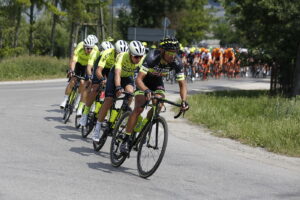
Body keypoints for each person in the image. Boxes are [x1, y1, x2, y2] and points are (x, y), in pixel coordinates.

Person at [120, 37, 189, 154]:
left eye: (174, 53)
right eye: (169, 53)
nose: (172, 56)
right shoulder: (152, 57)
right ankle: (126, 139)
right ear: (162, 51)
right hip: (144, 82)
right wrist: (146, 91)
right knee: (139, 107)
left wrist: (183, 101)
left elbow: (182, 85)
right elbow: (138, 80)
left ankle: (145, 127)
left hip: (157, 82)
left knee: (159, 105)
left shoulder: (177, 62)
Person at [91, 41, 146, 142]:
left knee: (130, 93)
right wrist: (118, 87)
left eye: (140, 57)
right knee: (109, 99)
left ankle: (121, 116)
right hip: (115, 76)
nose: (138, 59)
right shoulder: (122, 56)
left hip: (127, 77)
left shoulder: (141, 60)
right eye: (136, 57)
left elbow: (142, 77)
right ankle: (97, 127)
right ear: (130, 54)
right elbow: (117, 74)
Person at [79, 40, 129, 127]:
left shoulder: (124, 58)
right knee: (95, 87)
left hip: (112, 70)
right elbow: (98, 71)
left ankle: (107, 115)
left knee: (113, 94)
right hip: (101, 67)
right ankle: (85, 113)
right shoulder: (107, 53)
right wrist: (102, 79)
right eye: (118, 54)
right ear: (115, 51)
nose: (120, 56)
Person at [60, 36, 99, 109]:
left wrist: (91, 74)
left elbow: (91, 65)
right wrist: (71, 70)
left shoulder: (95, 50)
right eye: (87, 48)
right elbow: (74, 61)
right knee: (73, 80)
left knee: (82, 82)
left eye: (91, 48)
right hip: (78, 64)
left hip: (86, 66)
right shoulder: (80, 46)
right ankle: (65, 100)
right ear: (84, 46)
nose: (89, 50)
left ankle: (77, 101)